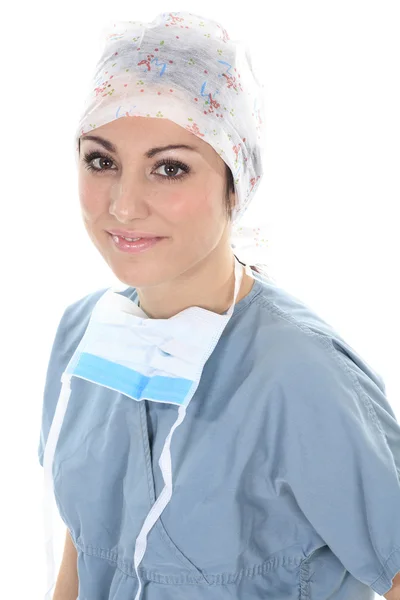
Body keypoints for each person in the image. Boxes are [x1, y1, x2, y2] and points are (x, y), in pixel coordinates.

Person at [38, 11, 400, 600]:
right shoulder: (82, 336)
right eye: (101, 161)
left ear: (237, 184)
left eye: (170, 168)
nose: (123, 206)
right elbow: (85, 549)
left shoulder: (300, 375)